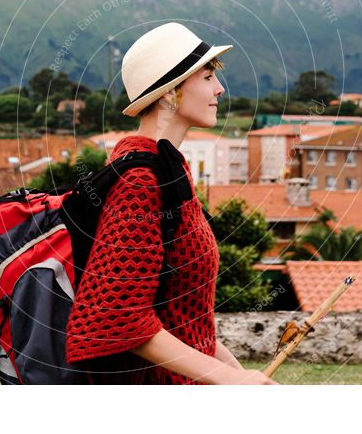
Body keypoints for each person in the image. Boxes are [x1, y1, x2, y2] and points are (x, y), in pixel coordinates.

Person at [65, 22, 277, 385]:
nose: (220, 89)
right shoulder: (139, 183)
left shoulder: (168, 171)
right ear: (169, 94)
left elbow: (185, 320)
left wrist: (238, 375)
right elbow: (120, 316)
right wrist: (231, 381)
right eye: (208, 76)